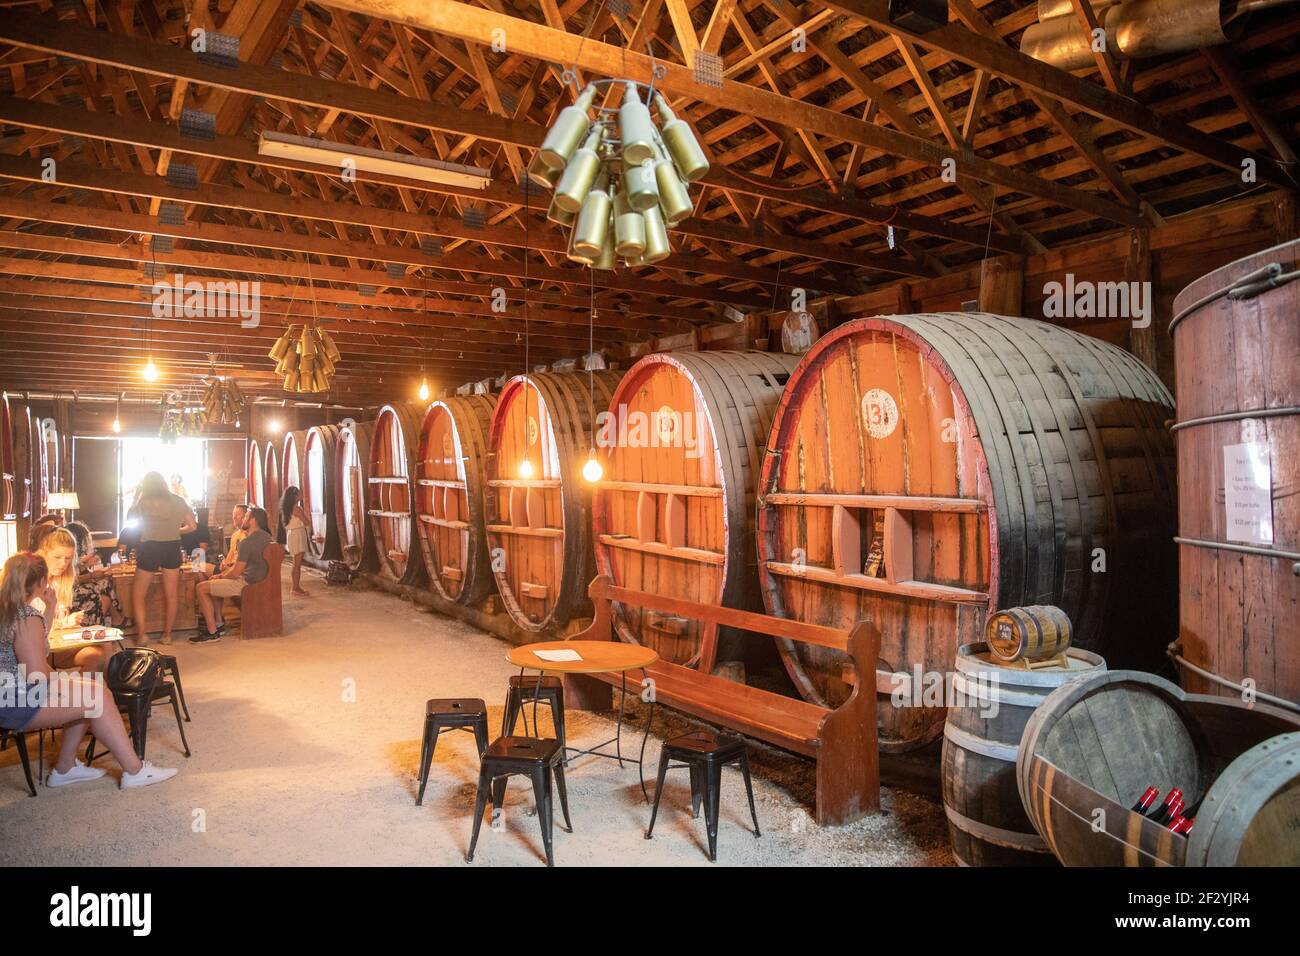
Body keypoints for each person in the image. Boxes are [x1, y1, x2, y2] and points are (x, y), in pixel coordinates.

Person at [0, 551, 176, 789]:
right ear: (41, 581)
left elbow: (34, 649)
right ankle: (134, 771)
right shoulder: (26, 615)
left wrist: (50, 608)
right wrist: (67, 680)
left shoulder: (10, 609)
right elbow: (37, 673)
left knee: (91, 689)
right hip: (16, 701)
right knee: (97, 697)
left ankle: (65, 768)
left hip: (8, 693)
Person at [127, 472, 196, 645]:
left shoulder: (143, 502)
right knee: (171, 595)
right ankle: (167, 635)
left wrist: (137, 495)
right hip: (172, 547)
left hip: (150, 546)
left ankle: (142, 635)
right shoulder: (179, 501)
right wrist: (174, 530)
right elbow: (192, 526)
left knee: (138, 594)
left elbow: (130, 519)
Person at [29, 525, 109, 674]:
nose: (63, 564)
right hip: (32, 649)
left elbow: (57, 620)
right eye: (57, 557)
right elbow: (30, 629)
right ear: (43, 554)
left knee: (98, 654)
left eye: (68, 559)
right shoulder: (30, 583)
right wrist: (61, 623)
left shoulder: (60, 582)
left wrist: (67, 621)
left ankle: (89, 693)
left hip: (53, 644)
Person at [193, 506, 272, 645]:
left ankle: (212, 632)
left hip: (247, 583)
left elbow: (236, 573)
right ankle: (218, 623)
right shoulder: (267, 537)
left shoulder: (247, 542)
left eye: (246, 517)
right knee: (212, 582)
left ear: (253, 520)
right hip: (261, 580)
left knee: (201, 588)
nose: (243, 520)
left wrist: (219, 577)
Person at [64, 521, 126, 628]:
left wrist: (87, 564)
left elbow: (74, 572)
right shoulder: (65, 554)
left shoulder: (70, 554)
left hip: (72, 589)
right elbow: (70, 580)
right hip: (69, 593)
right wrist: (92, 575)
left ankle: (116, 619)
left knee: (105, 582)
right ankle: (117, 618)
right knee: (103, 585)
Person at [280, 487, 309, 597]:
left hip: (292, 534)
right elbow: (306, 522)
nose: (301, 495)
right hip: (298, 534)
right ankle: (295, 588)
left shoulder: (287, 508)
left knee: (295, 563)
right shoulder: (297, 509)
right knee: (297, 564)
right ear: (295, 496)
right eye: (299, 494)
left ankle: (296, 587)